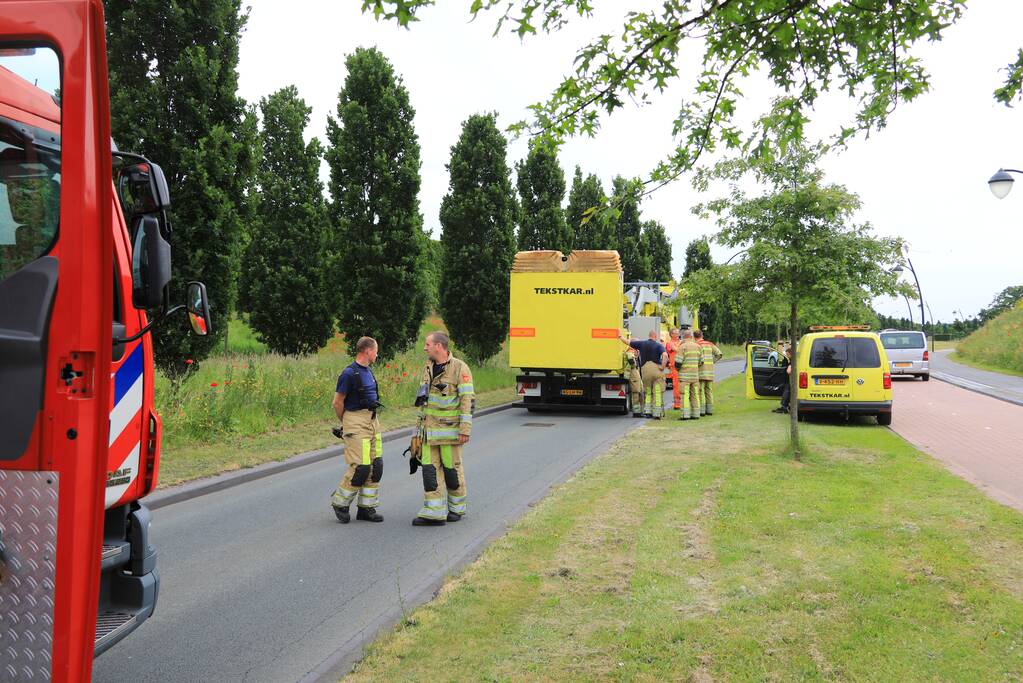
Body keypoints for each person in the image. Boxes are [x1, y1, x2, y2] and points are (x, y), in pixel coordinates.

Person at [412, 331, 475, 526]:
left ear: (439, 346)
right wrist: (418, 431)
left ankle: (456, 508)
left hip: (450, 433)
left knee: (451, 471)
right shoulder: (428, 367)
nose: (425, 347)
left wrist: (465, 429)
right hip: (429, 432)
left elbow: (467, 400)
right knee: (430, 471)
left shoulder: (459, 368)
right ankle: (434, 512)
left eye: (427, 344)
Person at [330, 336, 384, 524]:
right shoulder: (348, 374)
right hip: (355, 420)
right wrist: (347, 422)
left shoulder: (368, 371)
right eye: (376, 350)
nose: (377, 354)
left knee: (376, 465)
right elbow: (337, 402)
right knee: (361, 466)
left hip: (372, 421)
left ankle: (366, 509)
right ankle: (340, 502)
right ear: (368, 351)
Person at [619, 330, 668, 418]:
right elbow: (665, 355)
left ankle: (647, 412)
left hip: (645, 369)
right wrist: (663, 366)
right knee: (657, 391)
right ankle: (657, 413)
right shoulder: (658, 345)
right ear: (655, 336)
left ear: (648, 336)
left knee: (648, 391)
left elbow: (628, 342)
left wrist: (620, 337)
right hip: (657, 369)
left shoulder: (642, 343)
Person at [694, 329, 723, 416]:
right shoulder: (709, 344)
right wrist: (712, 361)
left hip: (700, 372)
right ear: (702, 335)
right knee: (709, 391)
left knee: (701, 391)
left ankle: (702, 411)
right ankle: (710, 410)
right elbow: (719, 354)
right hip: (709, 371)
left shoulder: (696, 345)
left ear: (694, 337)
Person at [677, 329, 703, 420]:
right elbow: (701, 362)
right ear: (691, 337)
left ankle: (685, 415)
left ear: (683, 337)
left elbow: (678, 362)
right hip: (695, 376)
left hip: (684, 377)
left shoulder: (682, 347)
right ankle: (696, 414)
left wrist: (678, 370)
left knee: (684, 395)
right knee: (695, 395)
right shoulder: (698, 346)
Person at [666, 328, 682, 410]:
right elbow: (677, 350)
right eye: (675, 333)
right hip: (675, 367)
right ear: (671, 335)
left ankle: (683, 402)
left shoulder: (681, 342)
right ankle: (677, 404)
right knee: (676, 386)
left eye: (678, 333)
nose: (677, 335)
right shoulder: (670, 343)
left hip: (683, 366)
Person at [774, 346, 793, 414]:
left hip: (790, 380)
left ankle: (784, 406)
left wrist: (789, 366)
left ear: (791, 354)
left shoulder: (792, 361)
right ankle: (784, 406)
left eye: (787, 354)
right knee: (786, 391)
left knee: (786, 392)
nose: (786, 355)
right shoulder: (790, 360)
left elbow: (788, 371)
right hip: (788, 379)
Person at [626, 347, 644, 418]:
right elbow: (631, 359)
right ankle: (636, 412)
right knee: (636, 392)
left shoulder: (634, 351)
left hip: (636, 373)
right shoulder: (630, 351)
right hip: (633, 373)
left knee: (641, 391)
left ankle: (640, 411)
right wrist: (634, 364)